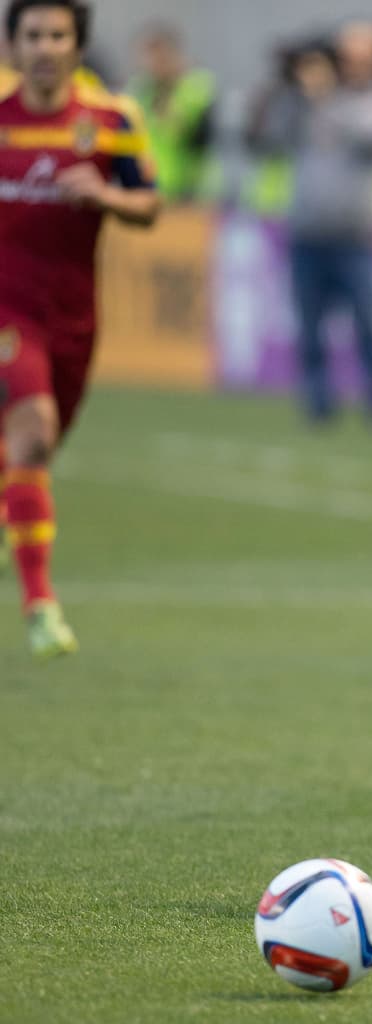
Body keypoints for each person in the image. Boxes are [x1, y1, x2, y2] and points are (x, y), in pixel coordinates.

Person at [0, 0, 161, 659]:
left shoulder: (113, 121)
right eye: (33, 34)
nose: (45, 46)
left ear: (77, 45)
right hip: (7, 312)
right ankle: (41, 605)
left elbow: (149, 204)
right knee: (32, 429)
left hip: (74, 318)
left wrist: (106, 197)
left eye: (57, 34)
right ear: (13, 46)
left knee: (32, 448)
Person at [253, 23, 372, 423]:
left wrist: (325, 98)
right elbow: (269, 138)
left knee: (369, 326)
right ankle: (318, 406)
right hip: (308, 233)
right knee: (309, 329)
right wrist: (287, 87)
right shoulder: (301, 104)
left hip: (355, 237)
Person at [126, 23, 216, 202]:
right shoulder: (141, 90)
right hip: (149, 186)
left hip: (189, 189)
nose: (151, 64)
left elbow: (178, 128)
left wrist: (169, 87)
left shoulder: (197, 86)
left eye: (158, 56)